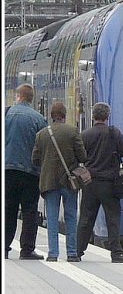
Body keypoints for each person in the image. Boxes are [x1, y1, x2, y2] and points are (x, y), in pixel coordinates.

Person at [31, 101, 87, 262]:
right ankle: (72, 253)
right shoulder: (72, 131)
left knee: (53, 218)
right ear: (64, 115)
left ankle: (53, 254)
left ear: (51, 116)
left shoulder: (41, 134)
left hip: (49, 182)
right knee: (70, 217)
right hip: (70, 182)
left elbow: (35, 159)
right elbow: (83, 157)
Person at [76, 102, 123, 263]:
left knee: (86, 217)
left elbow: (79, 156)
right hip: (109, 183)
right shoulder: (114, 133)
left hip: (90, 183)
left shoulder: (85, 135)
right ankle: (116, 253)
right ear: (107, 116)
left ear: (93, 116)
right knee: (112, 218)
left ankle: (77, 252)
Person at [5, 83, 48, 259]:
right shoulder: (38, 119)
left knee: (8, 209)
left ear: (18, 96)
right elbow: (44, 146)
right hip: (31, 172)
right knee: (30, 210)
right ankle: (27, 249)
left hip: (7, 169)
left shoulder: (6, 114)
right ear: (31, 99)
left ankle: (4, 247)